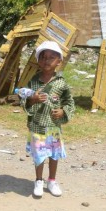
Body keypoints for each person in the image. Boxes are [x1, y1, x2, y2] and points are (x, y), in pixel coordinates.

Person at [20, 41, 75, 197]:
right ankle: (38, 180)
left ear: (59, 61)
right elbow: (25, 100)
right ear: (38, 61)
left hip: (53, 127)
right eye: (43, 57)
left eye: (52, 57)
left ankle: (51, 180)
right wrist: (33, 99)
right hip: (37, 126)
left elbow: (69, 102)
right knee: (39, 155)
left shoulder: (61, 83)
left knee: (53, 154)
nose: (47, 60)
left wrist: (63, 112)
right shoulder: (33, 82)